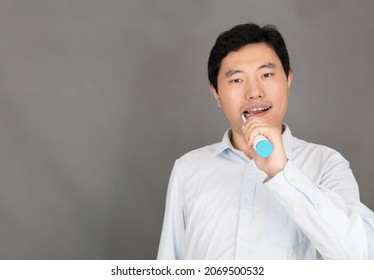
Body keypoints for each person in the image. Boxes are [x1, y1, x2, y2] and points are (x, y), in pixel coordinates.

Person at [157, 23, 374, 259]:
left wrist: (282, 172)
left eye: (266, 75)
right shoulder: (188, 170)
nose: (254, 92)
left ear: (288, 80)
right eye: (236, 80)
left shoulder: (327, 164)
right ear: (216, 94)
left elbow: (362, 257)